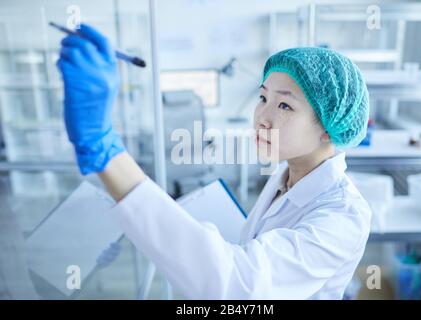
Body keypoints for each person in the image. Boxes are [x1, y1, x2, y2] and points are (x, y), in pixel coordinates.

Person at [57, 24, 371, 299]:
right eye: (262, 98)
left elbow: (239, 287)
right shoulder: (287, 176)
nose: (262, 117)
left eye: (285, 105)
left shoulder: (343, 216)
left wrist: (106, 152)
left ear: (329, 130)